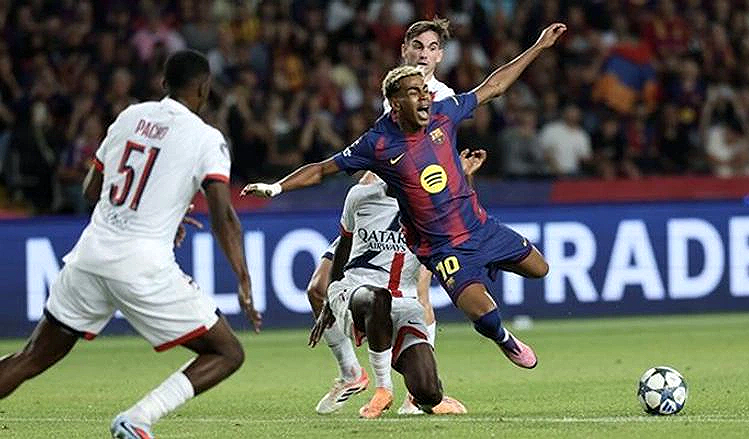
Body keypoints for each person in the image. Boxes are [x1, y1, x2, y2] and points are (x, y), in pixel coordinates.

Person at [244, 23, 565, 372]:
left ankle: (414, 347)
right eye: (416, 92)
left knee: (541, 269)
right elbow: (323, 169)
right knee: (473, 313)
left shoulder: (443, 108)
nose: (424, 96)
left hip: (477, 225)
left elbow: (494, 87)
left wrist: (538, 46)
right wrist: (276, 187)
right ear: (395, 102)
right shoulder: (379, 138)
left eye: (425, 90)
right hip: (437, 242)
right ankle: (487, 344)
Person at [0, 50, 262, 439]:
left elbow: (92, 190)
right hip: (142, 264)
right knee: (227, 352)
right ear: (205, 89)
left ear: (164, 84)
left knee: (31, 357)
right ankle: (137, 418)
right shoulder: (207, 138)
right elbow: (223, 215)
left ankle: (135, 421)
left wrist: (159, 210)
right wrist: (242, 276)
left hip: (89, 256)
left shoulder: (129, 117)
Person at [306, 17, 458, 415]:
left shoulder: (440, 97)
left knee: (417, 293)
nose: (424, 54)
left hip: (412, 208)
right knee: (319, 287)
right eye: (418, 46)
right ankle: (351, 374)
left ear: (441, 56)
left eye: (432, 48)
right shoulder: (395, 87)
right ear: (405, 49)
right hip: (372, 205)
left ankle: (414, 395)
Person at [310, 151, 484, 418]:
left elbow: (462, 218)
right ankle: (372, 383)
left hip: (403, 294)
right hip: (362, 271)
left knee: (429, 392)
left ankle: (418, 395)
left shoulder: (429, 198)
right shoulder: (364, 190)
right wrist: (332, 297)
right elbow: (344, 244)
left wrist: (463, 177)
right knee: (345, 293)